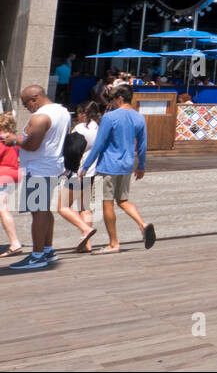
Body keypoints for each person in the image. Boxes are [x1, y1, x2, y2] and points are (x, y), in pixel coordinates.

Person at [76, 85, 156, 253]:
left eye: (112, 99)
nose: (110, 102)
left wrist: (85, 166)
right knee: (123, 200)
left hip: (108, 166)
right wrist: (141, 166)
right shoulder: (139, 117)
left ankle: (114, 243)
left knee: (108, 203)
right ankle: (143, 224)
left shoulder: (110, 117)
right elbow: (142, 145)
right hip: (127, 165)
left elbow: (99, 144)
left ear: (120, 98)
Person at [3, 86, 70, 270]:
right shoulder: (62, 111)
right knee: (44, 210)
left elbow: (32, 145)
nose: (27, 108)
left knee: (38, 211)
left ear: (35, 98)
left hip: (38, 168)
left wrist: (15, 140)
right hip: (52, 166)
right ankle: (47, 250)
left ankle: (37, 255)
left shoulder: (40, 117)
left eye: (26, 104)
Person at [57, 102, 99, 251]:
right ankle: (87, 244)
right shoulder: (98, 129)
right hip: (91, 173)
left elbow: (71, 151)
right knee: (85, 208)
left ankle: (85, 230)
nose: (78, 116)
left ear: (83, 114)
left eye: (80, 113)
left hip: (77, 172)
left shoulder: (80, 129)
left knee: (63, 207)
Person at [0, 113, 24, 258]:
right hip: (14, 174)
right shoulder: (16, 139)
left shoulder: (2, 140)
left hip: (2, 176)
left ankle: (15, 243)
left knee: (3, 209)